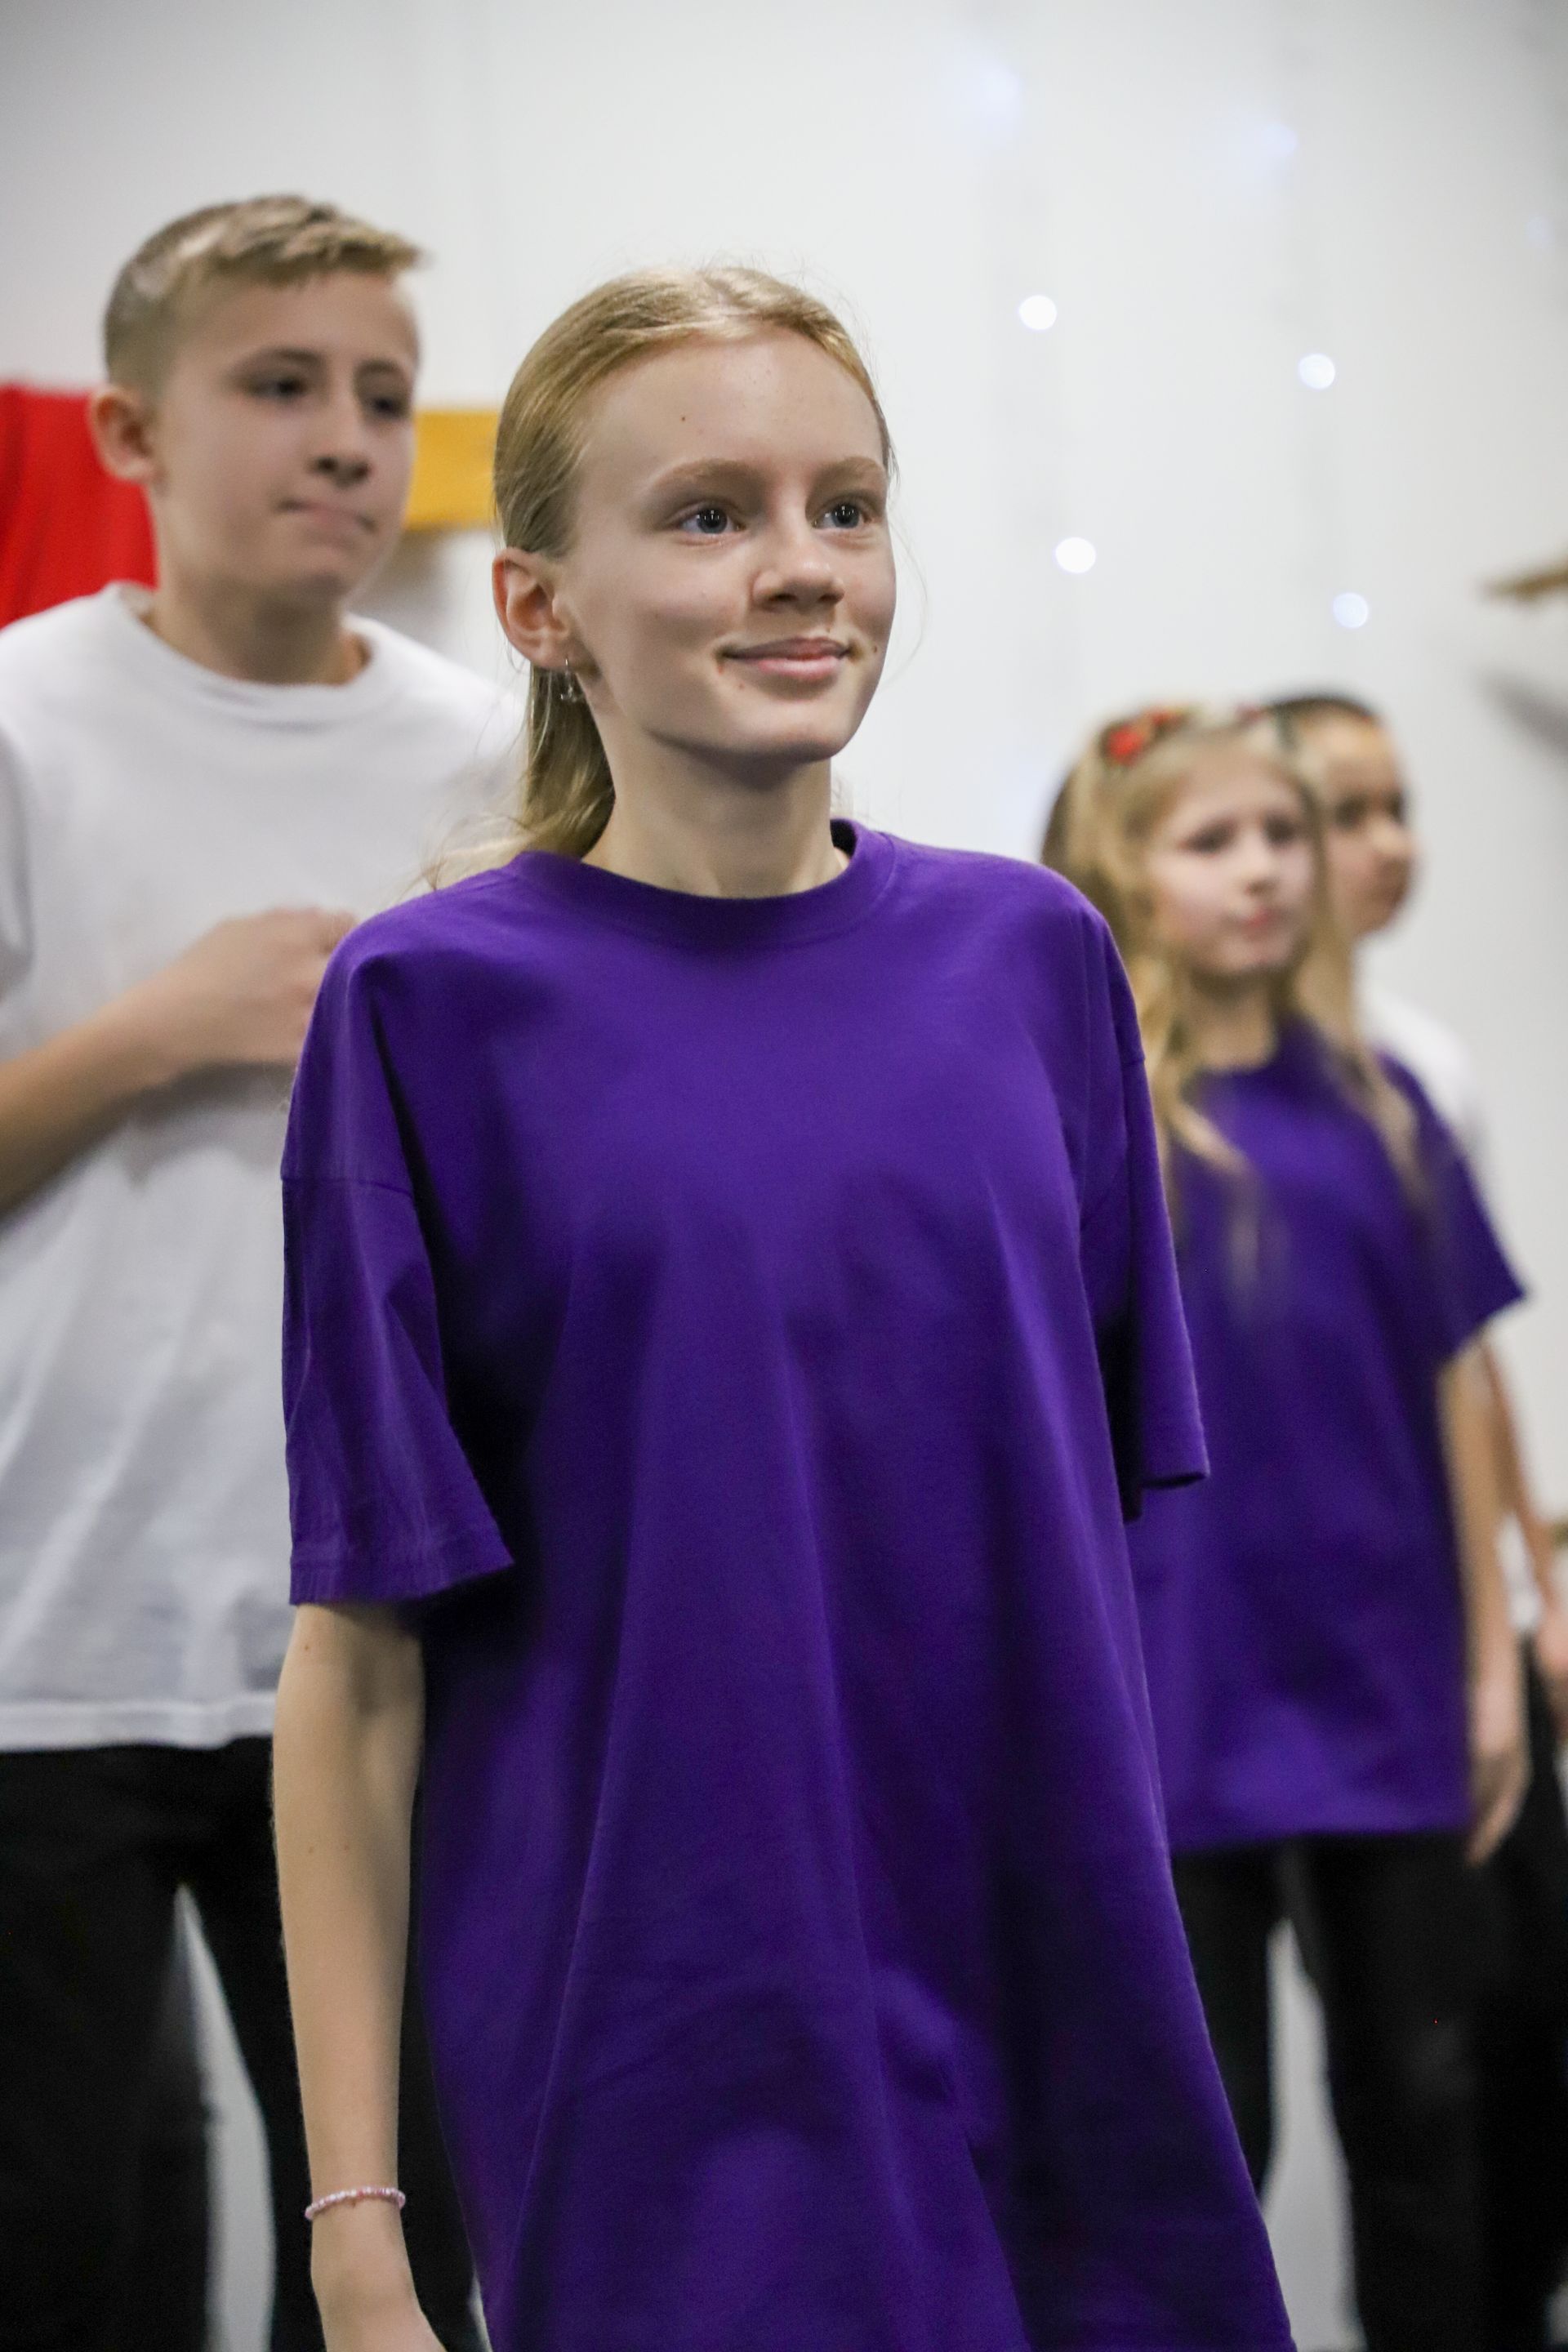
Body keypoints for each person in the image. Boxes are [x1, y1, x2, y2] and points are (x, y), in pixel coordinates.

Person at [271, 265, 1293, 2352]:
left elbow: (1088, 1543)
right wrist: (359, 2230)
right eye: (711, 513)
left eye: (848, 505)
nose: (804, 565)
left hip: (1058, 2022)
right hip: (666, 2056)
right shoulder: (428, 1012)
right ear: (541, 607)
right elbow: (359, 1663)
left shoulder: (1036, 964)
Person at [0, 195, 505, 2350]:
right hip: (55, 1638)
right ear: (130, 432)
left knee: (400, 2265)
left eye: (384, 393)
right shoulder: (22, 722)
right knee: (66, 2259)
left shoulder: (488, 751)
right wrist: (155, 1033)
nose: (347, 438)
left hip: (388, 1630)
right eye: (281, 385)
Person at [1045, 702, 1528, 2352]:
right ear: (1126, 873)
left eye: (1280, 837)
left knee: (1427, 2108)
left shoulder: (1387, 1109)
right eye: (1211, 842)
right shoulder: (1095, 1130)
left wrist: (1490, 1673)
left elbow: (1459, 1392)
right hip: (1174, 1707)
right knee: (1202, 2136)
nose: (1260, 871)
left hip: (1386, 1695)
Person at [1272, 688, 1568, 2352]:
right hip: (1269, 1663)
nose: (1388, 847)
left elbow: (1466, 1363)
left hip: (1437, 1640)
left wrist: (1528, 1592)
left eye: (1400, 807)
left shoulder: (1413, 1070)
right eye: (1344, 813)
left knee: (1483, 2062)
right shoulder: (1174, 1079)